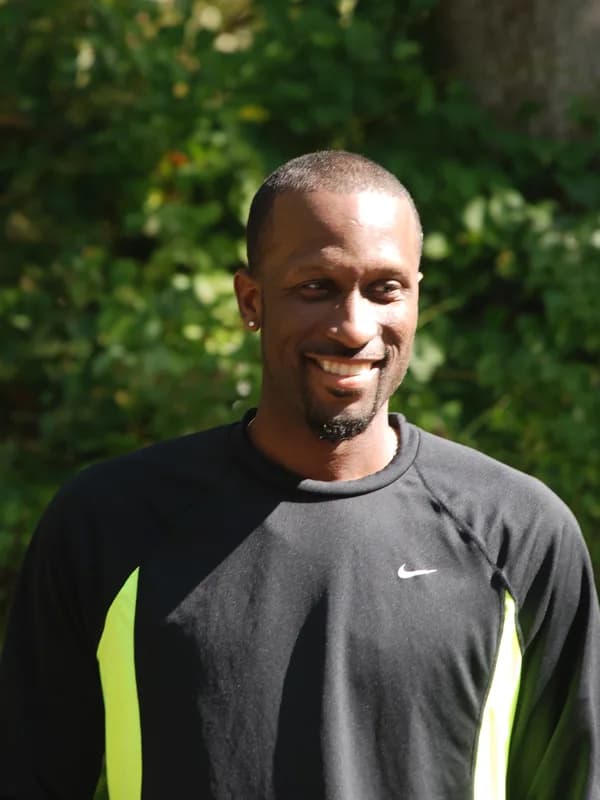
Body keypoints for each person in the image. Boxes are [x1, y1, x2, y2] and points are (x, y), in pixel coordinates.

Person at [1, 150, 599, 800]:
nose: (354, 327)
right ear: (251, 300)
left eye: (385, 289)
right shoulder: (109, 522)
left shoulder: (519, 535)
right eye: (317, 287)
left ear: (416, 296)